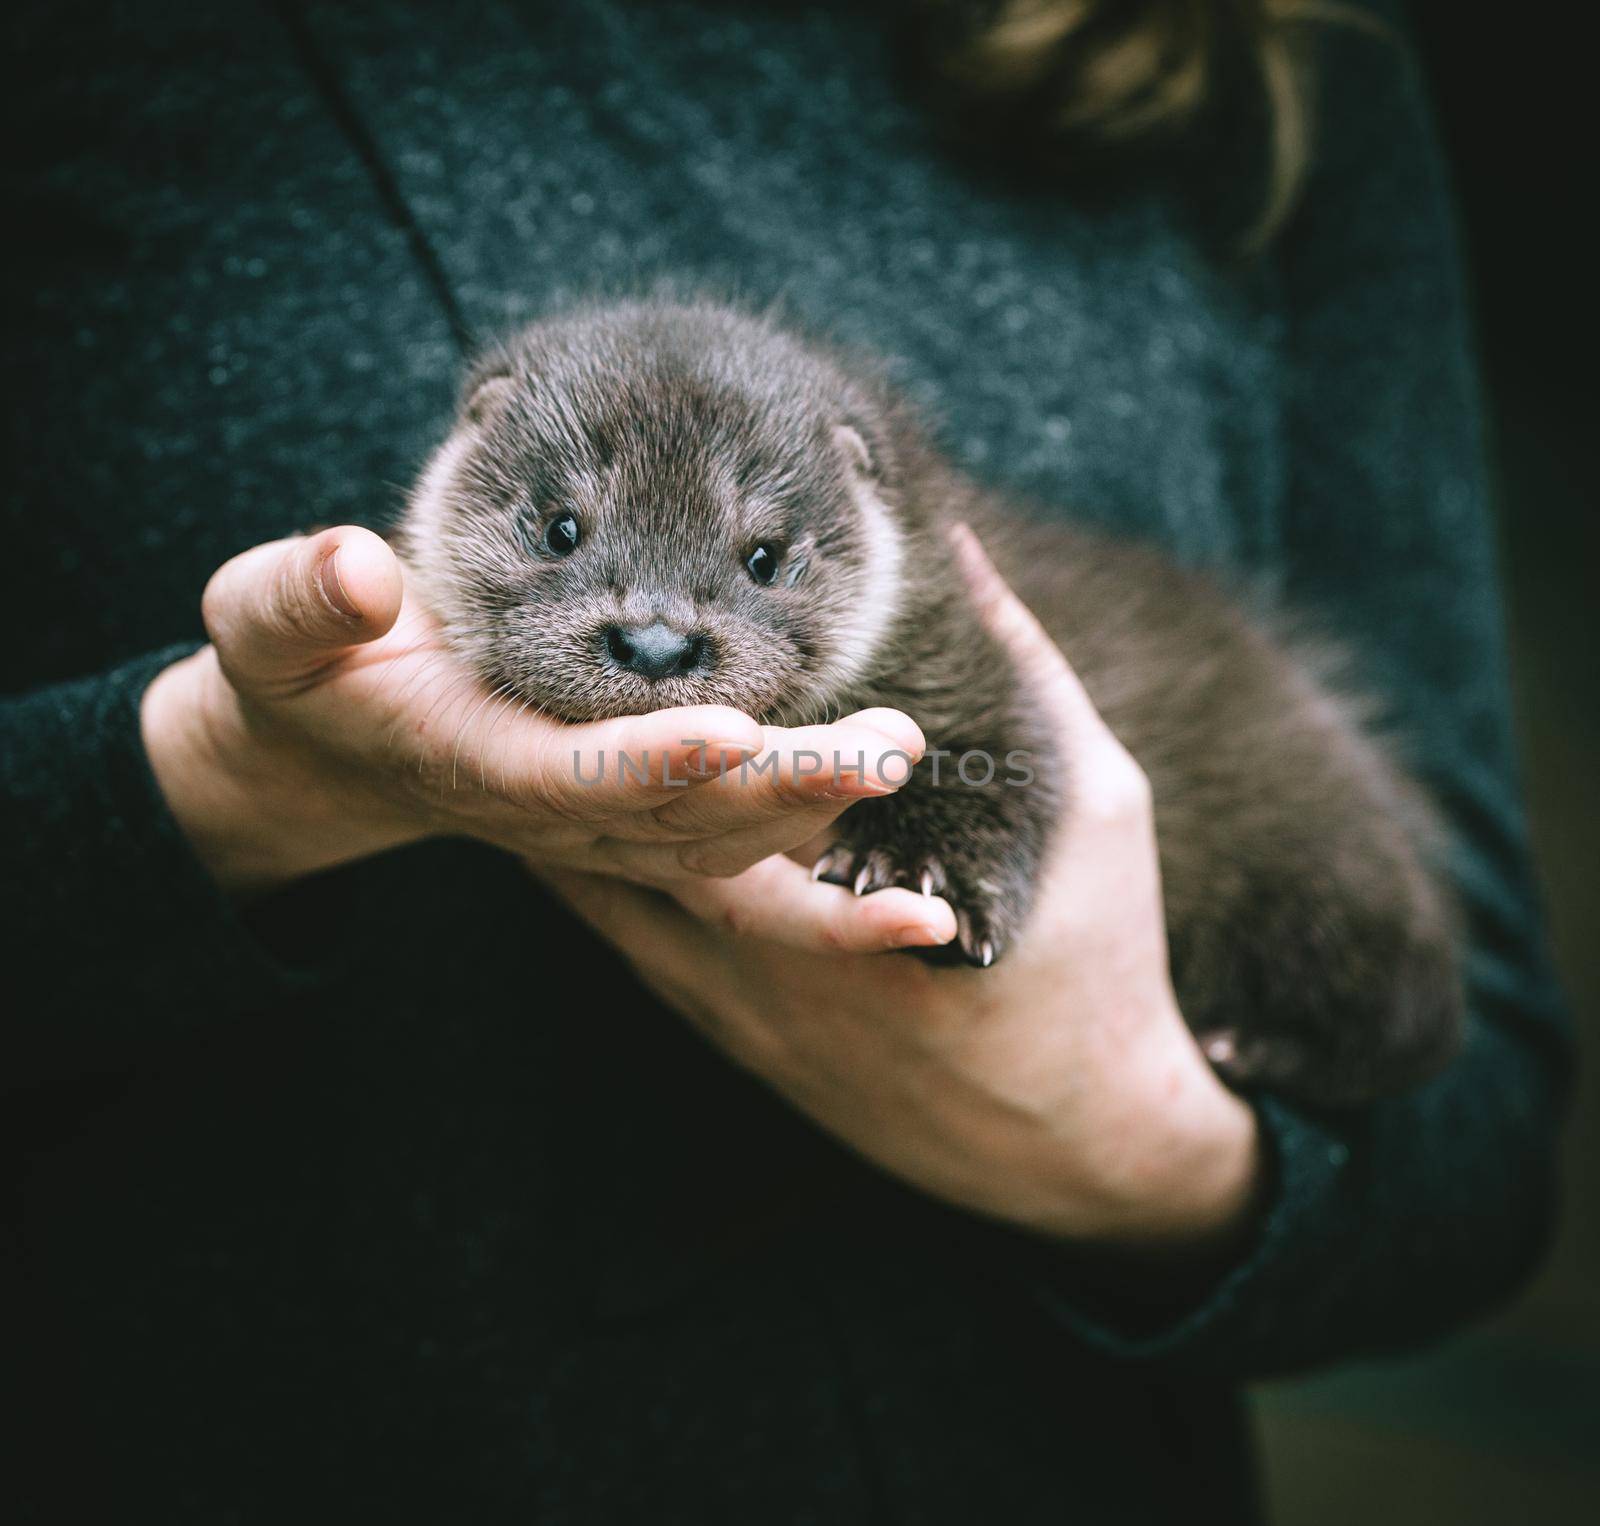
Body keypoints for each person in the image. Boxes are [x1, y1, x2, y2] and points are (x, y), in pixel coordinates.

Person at [2, 1, 1570, 1520]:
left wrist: (1139, 1143)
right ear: (467, 460)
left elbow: (1479, 1123)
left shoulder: (1282, 53)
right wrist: (226, 774)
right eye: (564, 538)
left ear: (857, 518)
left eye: (756, 570)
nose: (659, 636)